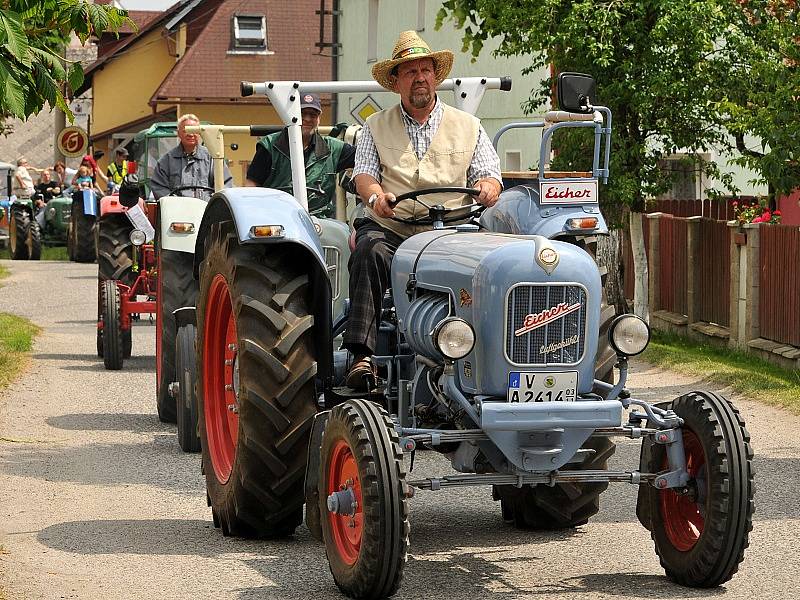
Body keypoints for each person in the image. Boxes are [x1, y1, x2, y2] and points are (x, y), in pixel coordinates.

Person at [343, 31, 503, 389]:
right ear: (396, 82)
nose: (419, 78)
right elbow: (365, 176)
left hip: (453, 233)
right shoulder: (374, 127)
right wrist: (376, 199)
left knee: (497, 266)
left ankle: (492, 355)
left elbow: (490, 176)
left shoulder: (469, 126)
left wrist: (489, 189)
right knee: (369, 249)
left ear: (436, 76)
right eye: (410, 71)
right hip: (395, 229)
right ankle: (361, 356)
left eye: (425, 70)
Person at [245, 93, 356, 218]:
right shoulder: (269, 146)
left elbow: (365, 159)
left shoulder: (334, 149)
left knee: (341, 234)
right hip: (277, 219)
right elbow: (252, 186)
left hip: (319, 222)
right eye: (302, 113)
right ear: (290, 116)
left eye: (313, 114)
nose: (307, 119)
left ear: (319, 118)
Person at [149, 113, 232, 200]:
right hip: (177, 211)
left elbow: (225, 185)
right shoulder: (166, 161)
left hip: (206, 210)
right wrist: (174, 203)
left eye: (194, 131)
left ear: (200, 133)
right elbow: (159, 188)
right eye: (186, 130)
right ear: (178, 133)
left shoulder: (213, 158)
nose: (190, 134)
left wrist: (211, 202)